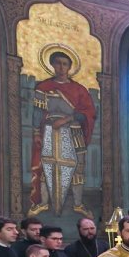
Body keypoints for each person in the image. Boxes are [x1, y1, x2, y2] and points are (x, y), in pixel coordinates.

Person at [29, 50, 96, 217]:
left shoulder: (79, 90)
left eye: (65, 64)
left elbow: (88, 113)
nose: (61, 67)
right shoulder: (44, 87)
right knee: (47, 166)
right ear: (52, 64)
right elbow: (37, 112)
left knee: (78, 168)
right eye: (58, 63)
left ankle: (78, 204)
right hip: (50, 132)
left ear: (69, 67)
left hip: (74, 132)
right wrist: (37, 133)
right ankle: (44, 203)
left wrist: (66, 119)